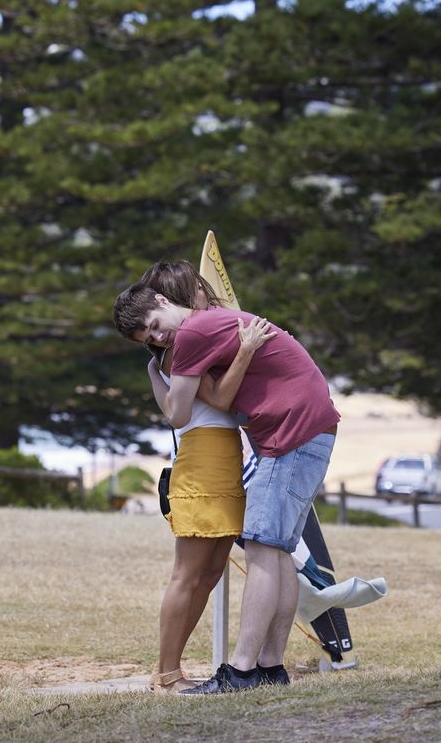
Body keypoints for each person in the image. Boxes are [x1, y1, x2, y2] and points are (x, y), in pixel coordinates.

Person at [114, 281, 340, 694]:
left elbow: (187, 410)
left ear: (165, 301)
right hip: (296, 433)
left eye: (154, 324)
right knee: (273, 551)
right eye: (148, 338)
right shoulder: (207, 330)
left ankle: (241, 670)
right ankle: (267, 667)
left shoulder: (195, 333)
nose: (158, 337)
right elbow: (208, 402)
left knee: (261, 550)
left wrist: (158, 369)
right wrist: (244, 353)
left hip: (289, 435)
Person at [134, 262, 277, 693]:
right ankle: (166, 673)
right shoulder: (179, 350)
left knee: (211, 571)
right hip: (202, 461)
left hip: (221, 457)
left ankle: (171, 670)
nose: (205, 298)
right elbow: (219, 397)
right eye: (196, 292)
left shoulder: (175, 351)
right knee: (189, 572)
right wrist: (247, 350)